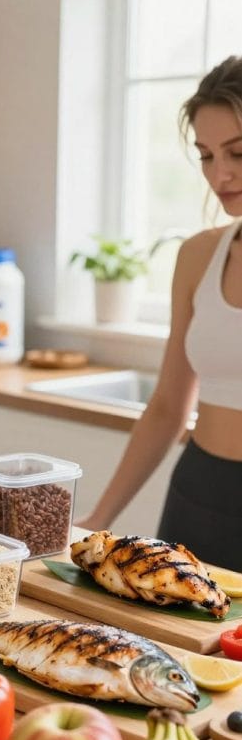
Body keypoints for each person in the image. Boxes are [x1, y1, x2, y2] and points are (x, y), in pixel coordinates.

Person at [78, 56, 242, 571]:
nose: (221, 173)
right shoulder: (198, 256)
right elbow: (169, 405)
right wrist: (97, 519)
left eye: (238, 152)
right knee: (171, 652)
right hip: (198, 494)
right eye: (207, 154)